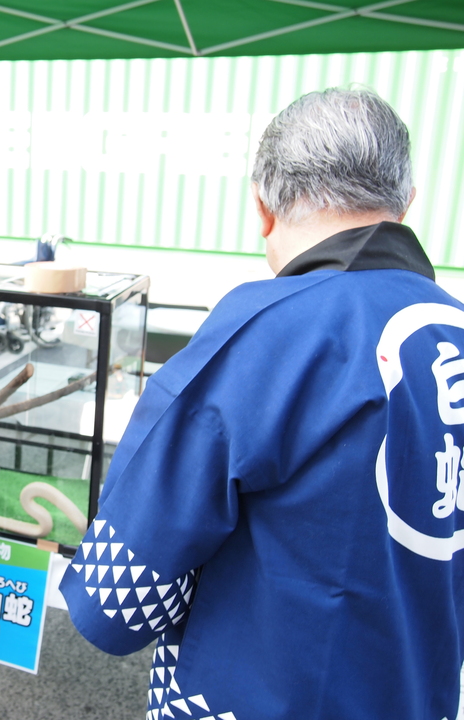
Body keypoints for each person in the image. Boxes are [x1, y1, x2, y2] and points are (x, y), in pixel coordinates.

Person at [61, 87, 464, 719]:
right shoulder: (453, 329)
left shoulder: (267, 327)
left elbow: (117, 603)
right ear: (406, 203)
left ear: (263, 205)